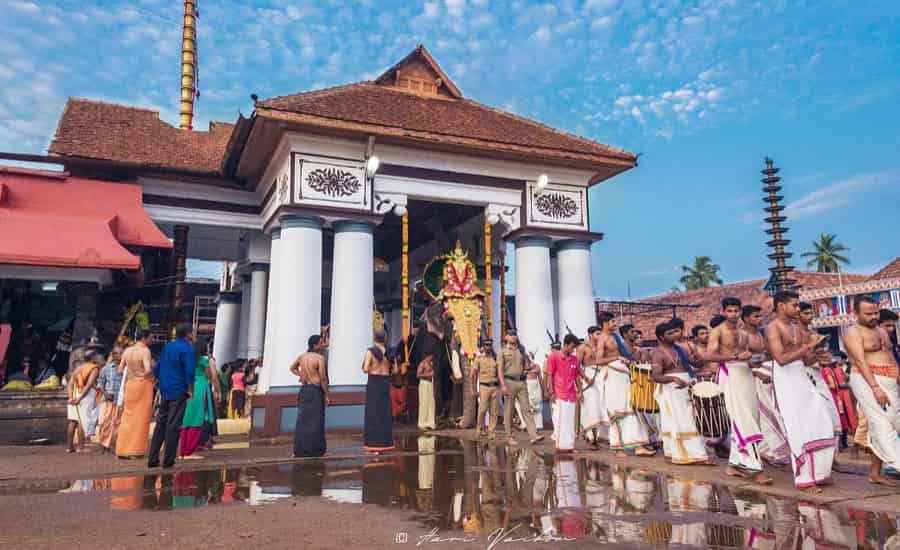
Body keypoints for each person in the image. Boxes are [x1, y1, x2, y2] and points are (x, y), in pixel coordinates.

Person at [766, 290, 835, 494]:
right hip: (785, 378)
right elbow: (781, 358)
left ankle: (820, 473)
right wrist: (807, 348)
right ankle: (804, 479)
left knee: (820, 421)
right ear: (781, 306)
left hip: (801, 376)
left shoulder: (797, 328)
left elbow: (806, 359)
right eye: (794, 305)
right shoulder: (772, 328)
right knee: (798, 428)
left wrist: (819, 356)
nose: (798, 309)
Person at [706, 297, 772, 485]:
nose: (733, 314)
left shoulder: (744, 334)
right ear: (724, 311)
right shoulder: (718, 331)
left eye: (736, 311)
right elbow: (709, 355)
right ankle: (754, 469)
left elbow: (751, 355)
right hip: (730, 374)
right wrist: (735, 356)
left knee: (750, 419)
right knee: (745, 422)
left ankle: (734, 465)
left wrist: (754, 362)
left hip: (746, 374)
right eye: (730, 311)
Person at [842, 295, 900, 487]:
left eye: (875, 312)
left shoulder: (882, 331)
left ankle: (875, 473)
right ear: (856, 312)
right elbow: (859, 360)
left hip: (890, 380)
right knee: (882, 425)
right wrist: (875, 387)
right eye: (868, 314)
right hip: (867, 380)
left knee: (893, 423)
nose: (873, 316)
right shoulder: (853, 332)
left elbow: (890, 354)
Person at [651, 321, 714, 465]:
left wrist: (698, 358)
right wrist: (673, 378)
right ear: (661, 337)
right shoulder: (657, 353)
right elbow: (656, 376)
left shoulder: (681, 349)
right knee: (680, 422)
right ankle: (694, 455)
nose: (674, 335)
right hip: (671, 389)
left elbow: (695, 364)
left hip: (686, 386)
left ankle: (677, 453)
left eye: (674, 332)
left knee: (690, 420)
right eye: (669, 334)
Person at [743, 304, 790, 467]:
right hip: (753, 377)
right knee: (763, 415)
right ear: (746, 318)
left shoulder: (762, 334)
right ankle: (766, 450)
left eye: (760, 316)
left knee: (776, 412)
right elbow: (741, 361)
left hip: (769, 374)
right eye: (755, 316)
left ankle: (776, 449)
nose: (759, 319)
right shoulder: (742, 336)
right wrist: (758, 373)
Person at [601, 313, 653, 457]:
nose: (615, 323)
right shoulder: (602, 339)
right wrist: (616, 358)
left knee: (632, 408)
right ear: (605, 323)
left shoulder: (616, 337)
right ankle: (618, 448)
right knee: (618, 410)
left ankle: (638, 446)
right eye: (612, 321)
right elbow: (599, 359)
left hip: (624, 374)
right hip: (613, 375)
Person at [148, 323, 196, 469]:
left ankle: (153, 458)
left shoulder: (168, 346)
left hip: (165, 389)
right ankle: (168, 460)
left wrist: (158, 382)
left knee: (161, 424)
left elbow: (157, 368)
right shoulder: (187, 348)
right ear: (188, 334)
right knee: (173, 425)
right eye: (192, 332)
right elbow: (189, 371)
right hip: (179, 388)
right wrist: (190, 389)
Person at [499, 330, 544, 446]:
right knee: (509, 411)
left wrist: (530, 368)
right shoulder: (503, 352)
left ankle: (533, 435)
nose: (513, 336)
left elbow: (525, 366)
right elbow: (500, 370)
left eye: (514, 334)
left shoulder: (521, 350)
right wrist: (503, 385)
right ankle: (509, 436)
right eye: (511, 334)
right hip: (509, 381)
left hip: (521, 382)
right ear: (506, 337)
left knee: (526, 409)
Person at [179, 337, 220, 459]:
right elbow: (210, 376)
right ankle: (189, 452)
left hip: (188, 387)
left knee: (186, 418)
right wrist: (217, 390)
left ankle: (183, 450)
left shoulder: (187, 359)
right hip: (201, 388)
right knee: (197, 418)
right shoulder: (203, 360)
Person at [116, 330, 154, 459]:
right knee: (141, 418)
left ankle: (122, 449)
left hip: (130, 385)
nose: (152, 340)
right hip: (142, 385)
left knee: (127, 416)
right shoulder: (145, 351)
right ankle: (135, 450)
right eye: (151, 337)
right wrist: (141, 375)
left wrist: (133, 373)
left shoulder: (127, 351)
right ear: (144, 338)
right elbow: (148, 370)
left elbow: (120, 370)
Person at [290, 334, 329, 457]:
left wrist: (301, 375)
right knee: (316, 421)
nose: (323, 344)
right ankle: (316, 450)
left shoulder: (302, 357)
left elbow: (292, 368)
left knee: (303, 421)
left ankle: (300, 450)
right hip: (315, 391)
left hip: (304, 390)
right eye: (321, 342)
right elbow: (322, 378)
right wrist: (327, 394)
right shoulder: (319, 358)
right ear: (315, 345)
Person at [546, 334, 581, 453]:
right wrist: (551, 391)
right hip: (559, 393)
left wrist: (579, 391)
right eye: (572, 347)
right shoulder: (553, 357)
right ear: (565, 344)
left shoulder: (574, 359)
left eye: (575, 348)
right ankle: (560, 447)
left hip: (571, 395)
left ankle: (570, 446)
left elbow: (577, 376)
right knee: (560, 420)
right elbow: (550, 374)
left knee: (569, 421)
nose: (573, 350)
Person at [363, 329, 396, 453]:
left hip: (374, 382)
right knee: (384, 412)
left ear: (374, 339)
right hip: (385, 382)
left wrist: (374, 367)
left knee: (373, 413)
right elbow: (396, 370)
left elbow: (366, 369)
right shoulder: (390, 352)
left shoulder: (370, 352)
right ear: (385, 338)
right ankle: (385, 442)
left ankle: (373, 443)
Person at [65, 352, 102, 453]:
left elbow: (70, 384)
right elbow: (89, 385)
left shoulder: (78, 368)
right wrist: (80, 398)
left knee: (72, 421)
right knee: (83, 420)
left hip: (75, 393)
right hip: (85, 395)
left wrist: (71, 397)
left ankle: (69, 447)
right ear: (93, 358)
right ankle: (81, 447)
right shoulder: (94, 368)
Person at [577, 326, 605, 448]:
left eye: (600, 333)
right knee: (590, 409)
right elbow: (576, 366)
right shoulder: (583, 347)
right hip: (588, 378)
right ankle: (589, 439)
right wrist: (585, 378)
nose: (599, 336)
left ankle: (597, 438)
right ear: (590, 335)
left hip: (600, 378)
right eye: (597, 334)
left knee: (600, 408)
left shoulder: (601, 347)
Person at [95, 346, 124, 452]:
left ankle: (110, 444)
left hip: (119, 400)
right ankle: (103, 442)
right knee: (104, 422)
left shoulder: (126, 369)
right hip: (107, 400)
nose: (121, 355)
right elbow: (100, 384)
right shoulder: (106, 368)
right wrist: (106, 394)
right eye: (119, 353)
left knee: (116, 423)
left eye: (122, 353)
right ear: (114, 355)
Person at [473, 339, 500, 438]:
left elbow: (499, 372)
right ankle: (479, 428)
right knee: (482, 409)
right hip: (484, 386)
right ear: (483, 346)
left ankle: (491, 431)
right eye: (486, 345)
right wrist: (474, 389)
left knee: (494, 411)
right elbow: (473, 374)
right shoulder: (479, 358)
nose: (488, 347)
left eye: (490, 345)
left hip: (495, 387)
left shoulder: (495, 358)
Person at [417, 352, 437, 431]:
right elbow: (418, 375)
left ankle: (430, 423)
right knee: (424, 403)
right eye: (431, 356)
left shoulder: (431, 363)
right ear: (428, 356)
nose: (432, 357)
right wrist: (429, 374)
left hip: (430, 384)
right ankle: (422, 424)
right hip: (424, 384)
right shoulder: (423, 364)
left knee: (431, 404)